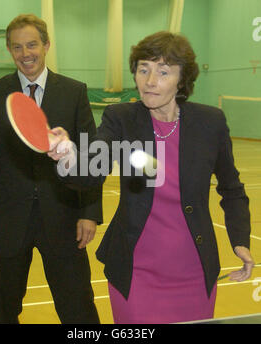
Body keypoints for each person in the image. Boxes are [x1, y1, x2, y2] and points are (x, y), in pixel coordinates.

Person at [47, 31, 255, 324]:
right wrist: (67, 155)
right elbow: (90, 173)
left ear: (182, 80)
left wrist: (240, 240)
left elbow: (232, 189)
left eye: (163, 71)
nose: (149, 79)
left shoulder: (210, 122)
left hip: (194, 271)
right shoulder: (121, 119)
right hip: (136, 272)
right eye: (143, 69)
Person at [0, 14, 102, 324]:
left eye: (32, 45)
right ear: (9, 50)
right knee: (4, 308)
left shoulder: (74, 91)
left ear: (46, 45)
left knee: (78, 308)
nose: (25, 54)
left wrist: (89, 211)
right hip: (5, 223)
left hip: (65, 219)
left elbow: (91, 155)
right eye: (17, 47)